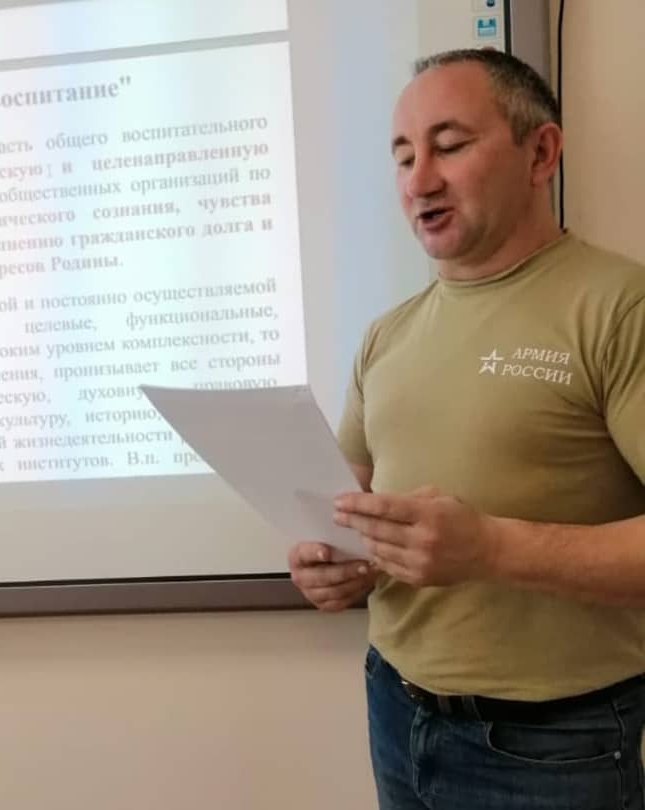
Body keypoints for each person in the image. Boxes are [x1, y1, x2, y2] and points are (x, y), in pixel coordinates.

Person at [288, 48, 645, 810]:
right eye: (403, 156)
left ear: (540, 153)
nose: (419, 180)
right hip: (395, 706)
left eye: (448, 146)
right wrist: (335, 563)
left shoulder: (620, 309)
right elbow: (353, 509)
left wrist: (490, 548)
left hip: (556, 743)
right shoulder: (386, 335)